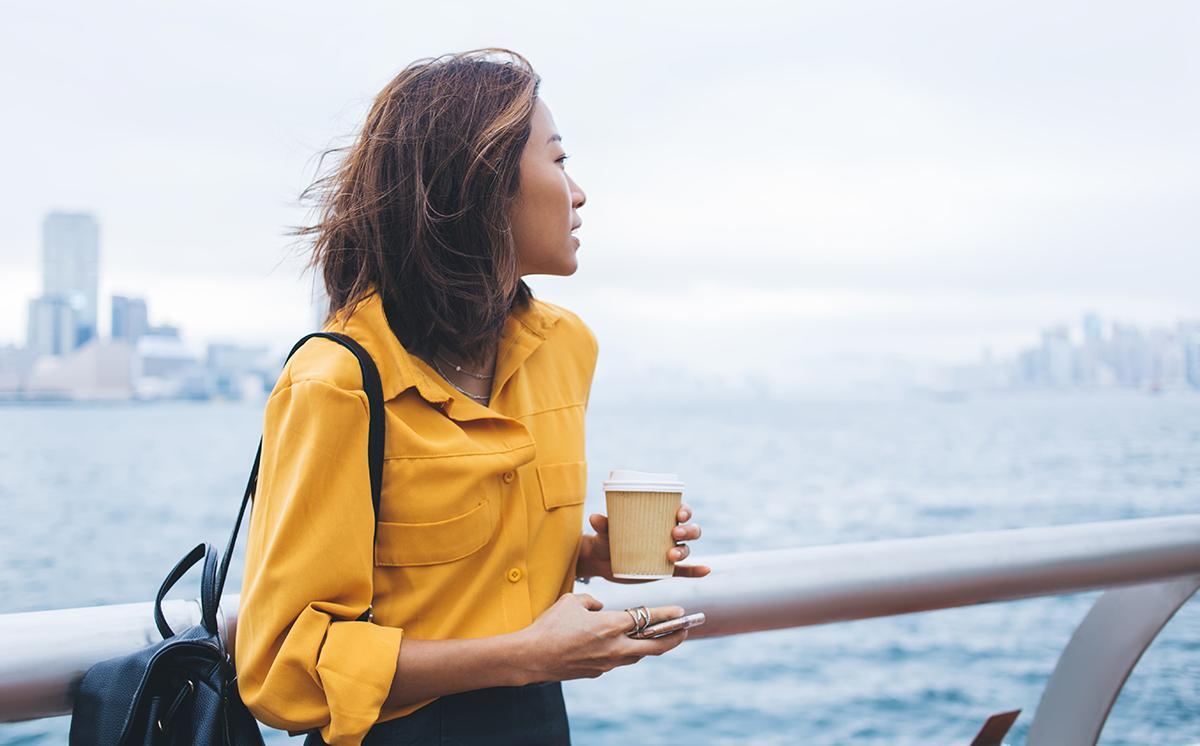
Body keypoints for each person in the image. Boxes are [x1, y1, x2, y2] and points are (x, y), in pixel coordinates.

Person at [234, 48, 711, 746]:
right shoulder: (337, 384)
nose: (578, 193)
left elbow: (465, 562)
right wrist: (527, 655)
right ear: (483, 186)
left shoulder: (566, 347)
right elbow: (282, 670)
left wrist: (585, 555)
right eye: (558, 161)